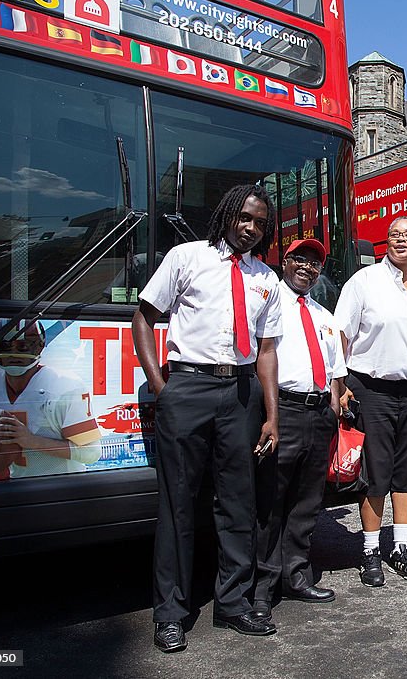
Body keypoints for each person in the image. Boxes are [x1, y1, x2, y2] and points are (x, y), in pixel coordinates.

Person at [132, 184, 282, 652]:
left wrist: (271, 415)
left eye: (260, 222)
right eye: (244, 217)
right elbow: (143, 318)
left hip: (240, 392)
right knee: (177, 505)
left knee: (239, 503)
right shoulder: (186, 257)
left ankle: (233, 604)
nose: (251, 228)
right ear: (226, 215)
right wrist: (163, 390)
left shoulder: (267, 280)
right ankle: (171, 613)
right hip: (188, 386)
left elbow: (267, 351)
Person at [334, 215, 407, 587]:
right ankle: (370, 550)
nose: (401, 241)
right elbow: (340, 334)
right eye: (395, 235)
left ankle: (401, 548)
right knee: (375, 472)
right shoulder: (364, 282)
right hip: (371, 389)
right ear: (386, 242)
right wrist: (340, 383)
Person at [251, 237, 346, 620]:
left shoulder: (324, 316)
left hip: (319, 413)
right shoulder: (268, 303)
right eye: (300, 260)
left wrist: (335, 405)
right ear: (284, 262)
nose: (307, 267)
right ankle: (261, 587)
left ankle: (296, 575)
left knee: (308, 503)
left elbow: (336, 371)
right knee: (270, 504)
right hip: (283, 411)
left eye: (315, 263)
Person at [0, 319, 101, 477]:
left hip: (63, 489)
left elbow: (91, 453)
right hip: (16, 489)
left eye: (24, 346)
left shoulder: (65, 387)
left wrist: (31, 441)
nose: (15, 354)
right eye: (6, 346)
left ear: (40, 346)